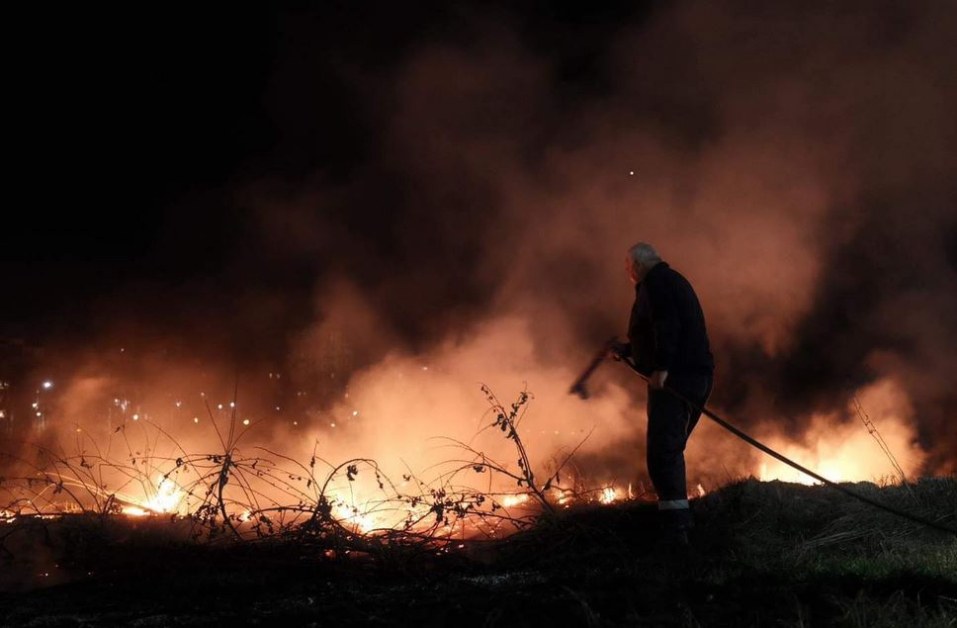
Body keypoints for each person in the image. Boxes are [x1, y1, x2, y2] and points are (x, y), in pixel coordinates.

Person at [612, 242, 714, 547]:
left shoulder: (656, 283)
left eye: (628, 267)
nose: (627, 273)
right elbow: (657, 334)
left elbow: (667, 326)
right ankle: (677, 522)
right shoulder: (669, 282)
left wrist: (662, 369)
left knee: (663, 451)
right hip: (691, 376)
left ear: (637, 265)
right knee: (669, 448)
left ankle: (676, 531)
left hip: (677, 381)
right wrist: (628, 351)